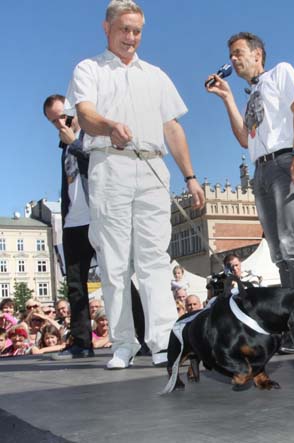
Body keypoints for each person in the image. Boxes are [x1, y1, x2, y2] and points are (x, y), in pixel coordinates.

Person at [65, 0, 205, 369]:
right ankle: (123, 343)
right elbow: (84, 114)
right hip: (109, 164)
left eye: (137, 31)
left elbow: (173, 127)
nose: (131, 37)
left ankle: (160, 341)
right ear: (107, 28)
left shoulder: (156, 75)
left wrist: (190, 176)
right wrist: (110, 125)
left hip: (153, 166)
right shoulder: (89, 68)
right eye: (124, 29)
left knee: (154, 259)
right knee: (113, 261)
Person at [207, 31, 294, 354]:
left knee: (292, 245)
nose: (234, 60)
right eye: (232, 55)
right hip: (262, 170)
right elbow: (244, 138)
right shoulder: (252, 94)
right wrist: (227, 97)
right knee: (278, 250)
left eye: (239, 53)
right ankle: (291, 324)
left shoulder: (281, 72)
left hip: (284, 161)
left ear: (257, 54)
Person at [43, 94, 95, 360]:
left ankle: (143, 337)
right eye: (54, 121)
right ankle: (82, 344)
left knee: (118, 277)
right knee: (75, 285)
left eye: (63, 116)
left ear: (73, 110)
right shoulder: (64, 146)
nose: (60, 123)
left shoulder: (90, 134)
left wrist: (73, 142)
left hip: (97, 219)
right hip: (73, 223)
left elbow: (95, 169)